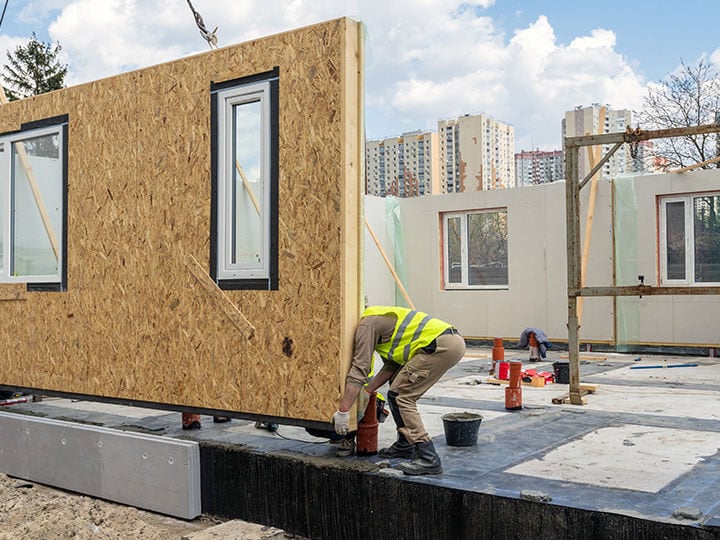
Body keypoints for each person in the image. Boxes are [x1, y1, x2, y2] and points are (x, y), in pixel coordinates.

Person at [332, 306, 465, 475]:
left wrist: (343, 411)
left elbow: (360, 369)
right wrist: (367, 391)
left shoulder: (367, 325)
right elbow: (392, 364)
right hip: (449, 342)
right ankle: (405, 445)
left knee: (402, 395)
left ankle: (428, 457)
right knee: (395, 392)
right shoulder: (381, 319)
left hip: (439, 345)